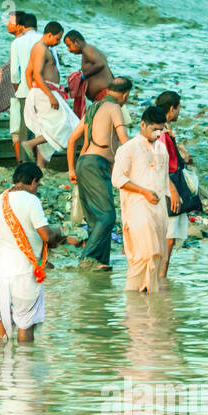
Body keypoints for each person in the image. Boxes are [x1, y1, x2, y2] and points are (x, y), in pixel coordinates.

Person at [0, 161, 67, 342]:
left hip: (2, 269)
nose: (37, 188)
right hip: (24, 270)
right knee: (25, 322)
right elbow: (46, 236)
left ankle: (2, 362)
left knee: (4, 317)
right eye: (38, 184)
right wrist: (60, 233)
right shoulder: (31, 200)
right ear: (33, 181)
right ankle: (25, 364)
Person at [68, 76, 133, 270]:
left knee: (95, 219)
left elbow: (72, 140)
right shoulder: (115, 108)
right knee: (107, 217)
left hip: (83, 163)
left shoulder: (93, 108)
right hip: (96, 164)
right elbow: (124, 140)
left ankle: (101, 263)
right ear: (126, 94)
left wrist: (71, 169)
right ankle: (87, 258)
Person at [112, 106, 171, 292]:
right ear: (143, 125)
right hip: (137, 210)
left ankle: (148, 308)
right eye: (154, 129)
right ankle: (134, 305)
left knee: (158, 256)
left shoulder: (162, 148)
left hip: (159, 211)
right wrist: (144, 192)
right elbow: (118, 179)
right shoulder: (128, 148)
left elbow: (164, 179)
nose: (158, 133)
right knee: (144, 255)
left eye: (161, 129)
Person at [22, 22, 79, 165]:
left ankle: (41, 166)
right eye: (57, 39)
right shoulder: (41, 49)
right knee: (69, 124)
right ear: (49, 35)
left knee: (46, 128)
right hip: (46, 92)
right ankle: (30, 143)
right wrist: (48, 95)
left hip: (43, 91)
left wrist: (33, 92)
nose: (58, 42)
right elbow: (36, 76)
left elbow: (28, 72)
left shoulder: (41, 47)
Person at [156, 91, 195, 275]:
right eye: (178, 108)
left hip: (169, 181)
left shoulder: (164, 131)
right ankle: (162, 274)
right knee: (169, 235)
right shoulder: (162, 134)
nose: (179, 112)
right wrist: (172, 190)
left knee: (169, 233)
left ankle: (162, 273)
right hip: (169, 183)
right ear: (171, 109)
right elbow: (162, 164)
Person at [7, 12, 41, 161]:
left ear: (22, 27)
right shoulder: (44, 39)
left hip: (24, 91)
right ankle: (40, 162)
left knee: (24, 128)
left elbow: (14, 71)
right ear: (36, 25)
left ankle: (23, 160)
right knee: (41, 126)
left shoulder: (16, 43)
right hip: (42, 90)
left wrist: (16, 87)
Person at [62, 29, 110, 119]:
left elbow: (100, 64)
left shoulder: (87, 49)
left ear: (77, 42)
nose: (68, 50)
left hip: (104, 95)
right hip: (106, 94)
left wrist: (83, 77)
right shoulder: (92, 50)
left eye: (69, 45)